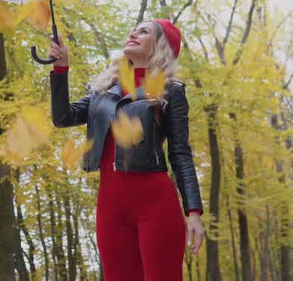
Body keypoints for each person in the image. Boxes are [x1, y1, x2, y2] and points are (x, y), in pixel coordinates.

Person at [48, 19, 205, 280]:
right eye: (134, 29)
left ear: (160, 46)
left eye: (144, 31)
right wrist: (61, 69)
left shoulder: (170, 91)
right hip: (110, 208)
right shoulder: (103, 90)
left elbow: (180, 154)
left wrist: (194, 212)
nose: (133, 33)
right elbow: (62, 117)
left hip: (155, 206)